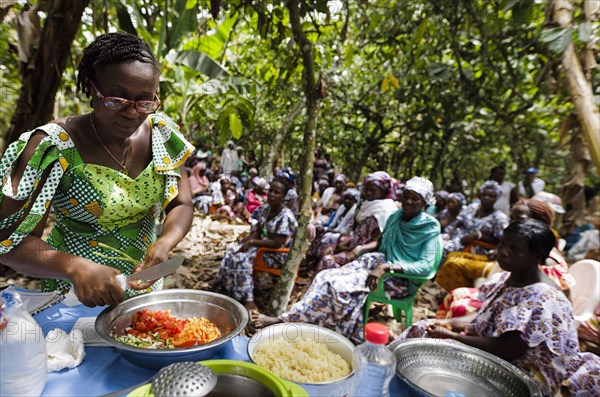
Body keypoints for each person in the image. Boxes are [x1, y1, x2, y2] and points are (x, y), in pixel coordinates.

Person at [0, 32, 194, 307]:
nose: (131, 112)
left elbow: (181, 203)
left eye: (145, 101)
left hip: (143, 290)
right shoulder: (53, 146)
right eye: (116, 100)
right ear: (91, 89)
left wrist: (164, 244)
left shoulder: (161, 135)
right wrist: (75, 267)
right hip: (75, 295)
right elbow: (8, 240)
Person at [398, 220, 600, 397]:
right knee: (424, 327)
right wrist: (447, 324)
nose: (503, 251)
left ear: (536, 256)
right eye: (503, 244)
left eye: (515, 249)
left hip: (525, 372)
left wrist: (454, 337)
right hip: (502, 352)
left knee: (434, 353)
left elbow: (508, 349)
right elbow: (483, 315)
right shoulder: (511, 277)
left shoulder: (543, 299)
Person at [251, 177, 441, 344]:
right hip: (378, 262)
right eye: (406, 195)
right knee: (325, 276)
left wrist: (387, 267)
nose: (408, 201)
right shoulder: (396, 216)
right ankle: (299, 321)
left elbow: (425, 266)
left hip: (398, 277)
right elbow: (381, 243)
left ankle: (289, 323)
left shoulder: (430, 227)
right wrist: (359, 249)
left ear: (425, 203)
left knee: (339, 287)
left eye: (415, 198)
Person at [436, 198, 576, 319]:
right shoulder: (523, 247)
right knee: (456, 294)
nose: (512, 223)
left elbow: (556, 301)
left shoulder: (545, 259)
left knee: (460, 304)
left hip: (520, 309)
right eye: (511, 218)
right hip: (509, 299)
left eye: (519, 219)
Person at [217, 179, 297, 312]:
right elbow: (258, 231)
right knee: (232, 250)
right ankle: (228, 287)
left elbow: (278, 243)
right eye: (271, 190)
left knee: (243, 259)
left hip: (278, 253)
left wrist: (253, 242)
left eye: (277, 192)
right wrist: (248, 239)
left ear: (283, 197)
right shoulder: (265, 209)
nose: (272, 194)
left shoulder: (285, 216)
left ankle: (248, 300)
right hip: (263, 247)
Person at [316, 172, 398, 273]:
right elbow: (359, 233)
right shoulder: (367, 205)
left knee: (328, 261)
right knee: (328, 250)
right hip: (356, 248)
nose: (368, 192)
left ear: (383, 191)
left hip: (369, 255)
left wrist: (355, 249)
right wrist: (343, 247)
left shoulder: (385, 210)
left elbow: (379, 241)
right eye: (366, 189)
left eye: (373, 190)